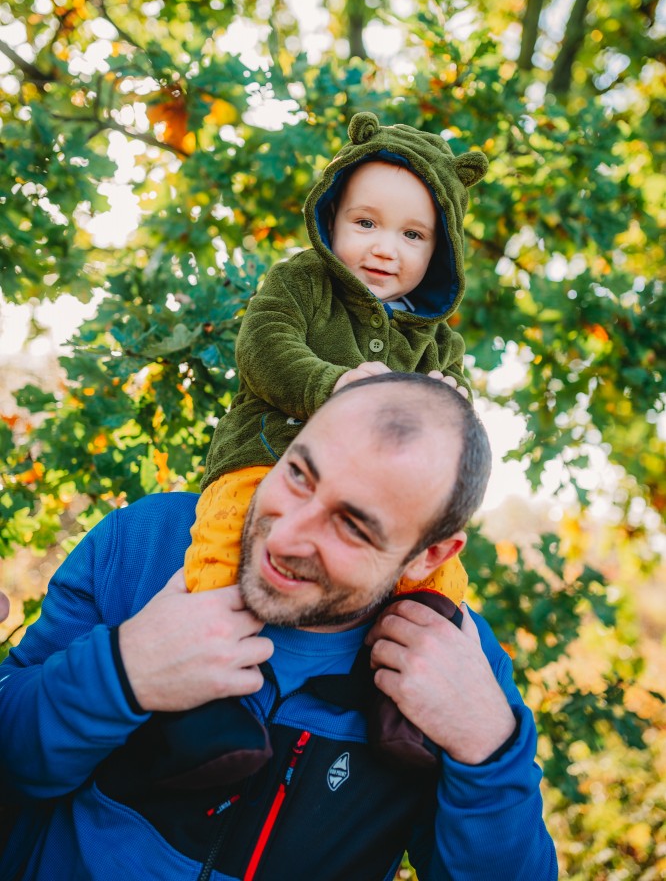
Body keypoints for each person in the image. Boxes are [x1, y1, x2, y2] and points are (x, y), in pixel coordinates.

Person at [0, 374, 558, 881]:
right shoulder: (144, 546)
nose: (286, 537)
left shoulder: (461, 663)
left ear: (428, 555)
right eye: (298, 474)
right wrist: (121, 672)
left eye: (352, 525)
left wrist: (488, 748)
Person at [184, 110, 490, 607]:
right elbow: (263, 345)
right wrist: (331, 387)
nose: (385, 249)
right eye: (366, 223)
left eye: (412, 235)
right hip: (266, 460)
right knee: (226, 538)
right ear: (332, 217)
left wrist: (452, 403)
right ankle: (206, 631)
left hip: (371, 500)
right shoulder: (302, 281)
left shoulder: (436, 338)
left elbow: (453, 408)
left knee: (443, 584)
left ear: (441, 251)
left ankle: (404, 655)